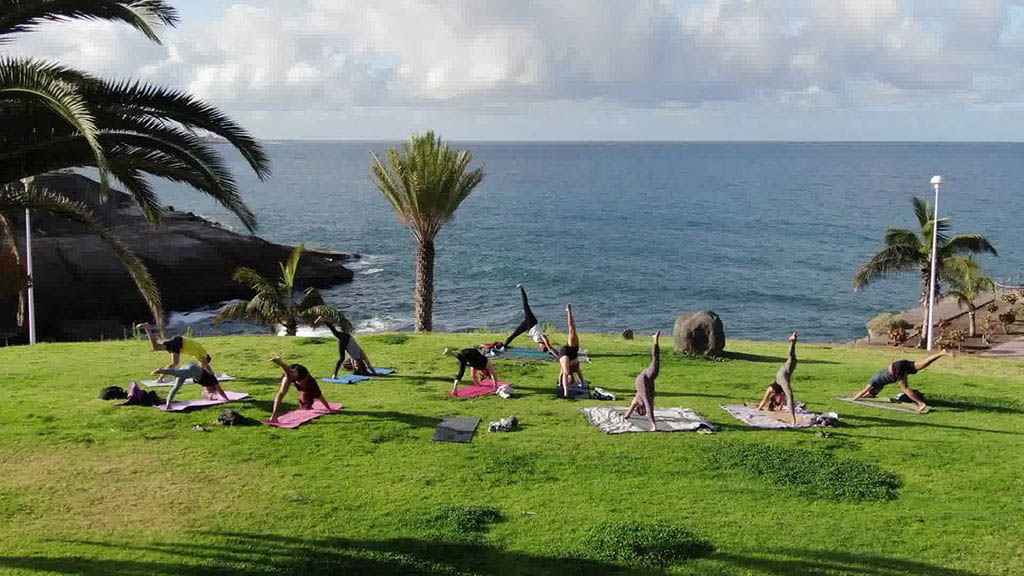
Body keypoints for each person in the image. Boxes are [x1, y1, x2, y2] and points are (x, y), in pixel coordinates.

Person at [851, 351, 951, 413]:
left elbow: (864, 391)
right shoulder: (879, 384)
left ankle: (921, 404)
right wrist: (862, 397)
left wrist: (854, 398)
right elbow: (869, 394)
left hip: (896, 368)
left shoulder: (873, 382)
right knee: (923, 364)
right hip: (899, 364)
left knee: (905, 389)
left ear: (873, 388)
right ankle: (941, 353)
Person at [268, 356, 339, 423]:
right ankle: (281, 363)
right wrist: (329, 408)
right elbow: (321, 397)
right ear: (307, 397)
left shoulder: (301, 387)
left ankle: (274, 416)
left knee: (281, 393)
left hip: (293, 372)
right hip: (302, 372)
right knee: (290, 376)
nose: (300, 398)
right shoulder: (313, 388)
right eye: (302, 400)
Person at [137, 323, 212, 382]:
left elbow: (206, 367)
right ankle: (147, 328)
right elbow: (204, 367)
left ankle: (160, 378)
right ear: (206, 359)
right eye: (203, 363)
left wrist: (211, 375)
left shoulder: (201, 354)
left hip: (179, 344)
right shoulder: (202, 355)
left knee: (174, 363)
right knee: (155, 347)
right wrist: (211, 376)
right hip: (179, 343)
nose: (201, 364)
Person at [756, 331, 799, 425]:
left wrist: (759, 408)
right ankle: (792, 341)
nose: (780, 401)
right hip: (786, 373)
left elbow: (764, 400)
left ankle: (792, 341)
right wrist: (780, 407)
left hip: (782, 374)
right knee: (793, 358)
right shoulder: (782, 393)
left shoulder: (772, 388)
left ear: (775, 398)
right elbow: (784, 400)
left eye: (778, 401)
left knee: (791, 358)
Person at [623, 331, 661, 431]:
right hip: (648, 379)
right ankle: (655, 340)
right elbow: (648, 404)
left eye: (641, 411)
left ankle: (654, 339)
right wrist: (627, 415)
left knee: (655, 359)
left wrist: (627, 415)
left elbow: (645, 405)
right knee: (656, 360)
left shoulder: (637, 400)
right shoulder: (638, 400)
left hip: (643, 379)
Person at [152, 362, 229, 410]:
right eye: (210, 391)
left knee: (175, 388)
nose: (208, 391)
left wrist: (212, 397)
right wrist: (227, 399)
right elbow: (221, 391)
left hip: (187, 367)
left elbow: (207, 395)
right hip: (194, 368)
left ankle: (168, 404)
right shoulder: (213, 380)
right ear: (213, 387)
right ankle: (162, 370)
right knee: (178, 373)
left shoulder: (205, 385)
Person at [551, 302, 585, 397]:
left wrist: (560, 385)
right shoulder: (576, 370)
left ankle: (566, 391)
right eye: (571, 380)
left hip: (564, 352)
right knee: (573, 329)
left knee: (565, 371)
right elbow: (581, 378)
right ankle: (569, 311)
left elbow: (561, 375)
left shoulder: (565, 372)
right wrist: (582, 384)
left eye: (568, 381)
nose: (569, 379)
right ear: (572, 378)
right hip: (573, 350)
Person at [503, 284, 547, 351]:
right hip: (532, 322)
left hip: (528, 325)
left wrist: (544, 345)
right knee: (525, 304)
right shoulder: (539, 339)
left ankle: (504, 346)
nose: (539, 348)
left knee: (514, 334)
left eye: (540, 348)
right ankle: (522, 288)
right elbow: (543, 340)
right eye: (541, 347)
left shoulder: (539, 340)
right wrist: (546, 347)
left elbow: (543, 340)